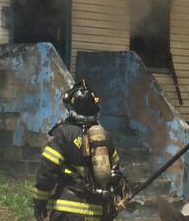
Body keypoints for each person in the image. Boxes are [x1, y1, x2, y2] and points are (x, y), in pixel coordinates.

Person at [32, 80, 126, 221]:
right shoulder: (105, 137)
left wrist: (40, 202)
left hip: (66, 211)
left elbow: (47, 172)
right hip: (97, 212)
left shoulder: (64, 134)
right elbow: (116, 174)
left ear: (72, 108)